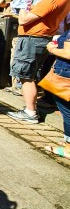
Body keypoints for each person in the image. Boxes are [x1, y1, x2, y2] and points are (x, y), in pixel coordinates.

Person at [7, 0, 70, 124]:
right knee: (29, 74)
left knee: (25, 75)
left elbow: (24, 20)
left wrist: (23, 4)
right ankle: (31, 109)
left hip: (33, 38)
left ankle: (30, 112)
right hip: (41, 37)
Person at [43, 25, 70, 159]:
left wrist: (52, 48)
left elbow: (68, 53)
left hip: (66, 74)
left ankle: (68, 149)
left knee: (68, 113)